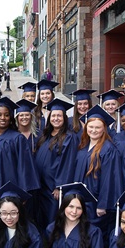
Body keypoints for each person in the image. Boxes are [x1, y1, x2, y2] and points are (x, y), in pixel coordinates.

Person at [0, 97, 41, 236]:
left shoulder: (17, 138)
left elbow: (24, 167)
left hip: (7, 186)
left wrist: (23, 192)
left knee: (9, 219)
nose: (3, 118)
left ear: (11, 117)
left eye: (6, 115)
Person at [73, 106, 125, 247]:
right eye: (91, 127)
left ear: (104, 129)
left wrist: (103, 204)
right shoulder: (84, 146)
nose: (94, 130)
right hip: (82, 200)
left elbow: (109, 179)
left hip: (96, 202)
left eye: (98, 127)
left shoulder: (108, 149)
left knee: (95, 236)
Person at [33, 98, 77, 236]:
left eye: (59, 116)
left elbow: (67, 163)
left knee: (53, 215)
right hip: (41, 184)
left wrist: (60, 186)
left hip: (53, 186)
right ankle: (44, 241)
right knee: (41, 213)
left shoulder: (69, 137)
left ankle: (52, 244)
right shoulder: (45, 135)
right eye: (53, 115)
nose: (56, 118)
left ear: (64, 118)